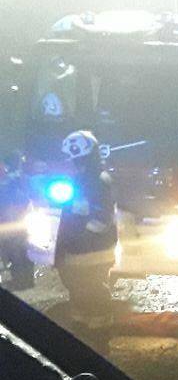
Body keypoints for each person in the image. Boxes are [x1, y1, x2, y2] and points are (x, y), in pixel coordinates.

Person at [55, 131, 117, 330]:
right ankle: (82, 324)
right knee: (78, 287)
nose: (68, 162)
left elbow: (102, 219)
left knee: (93, 288)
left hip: (93, 250)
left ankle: (99, 329)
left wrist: (79, 236)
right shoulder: (81, 180)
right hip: (80, 249)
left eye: (71, 158)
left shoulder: (99, 180)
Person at [0, 149, 34, 290]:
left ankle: (23, 281)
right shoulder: (14, 181)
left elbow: (24, 199)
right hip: (12, 221)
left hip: (14, 221)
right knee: (15, 252)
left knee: (18, 251)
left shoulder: (15, 181)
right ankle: (22, 280)